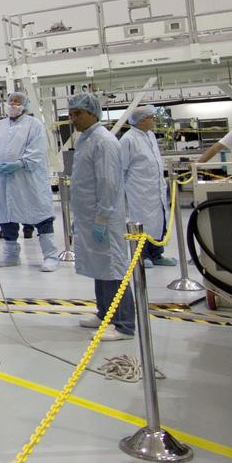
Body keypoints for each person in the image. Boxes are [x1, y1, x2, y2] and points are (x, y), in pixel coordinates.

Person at [67, 93, 135, 341]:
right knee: (100, 266)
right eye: (71, 114)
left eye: (78, 114)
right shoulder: (87, 139)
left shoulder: (103, 141)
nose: (73, 119)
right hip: (89, 216)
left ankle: (125, 324)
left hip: (103, 216)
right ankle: (104, 313)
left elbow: (108, 181)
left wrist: (103, 217)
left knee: (114, 267)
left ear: (93, 113)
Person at [0, 91, 59, 270]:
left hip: (28, 179)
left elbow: (37, 150)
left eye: (16, 102)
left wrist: (19, 163)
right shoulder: (0, 126)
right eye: (10, 101)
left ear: (24, 105)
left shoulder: (34, 125)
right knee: (6, 216)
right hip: (4, 180)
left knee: (40, 214)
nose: (12, 104)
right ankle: (11, 256)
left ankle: (51, 256)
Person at [120, 106, 175, 267]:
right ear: (142, 120)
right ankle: (142, 256)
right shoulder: (128, 139)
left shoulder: (150, 135)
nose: (154, 120)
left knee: (159, 223)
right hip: (139, 191)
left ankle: (157, 255)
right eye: (151, 117)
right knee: (142, 223)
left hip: (155, 188)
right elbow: (121, 168)